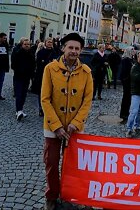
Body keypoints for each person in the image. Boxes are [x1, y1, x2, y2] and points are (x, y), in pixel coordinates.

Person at [41, 33, 93, 210]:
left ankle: (70, 194)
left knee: (72, 166)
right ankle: (52, 195)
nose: (74, 51)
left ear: (81, 50)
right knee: (51, 163)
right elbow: (45, 99)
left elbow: (87, 101)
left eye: (77, 48)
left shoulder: (86, 73)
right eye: (70, 47)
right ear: (63, 48)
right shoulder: (50, 69)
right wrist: (56, 126)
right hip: (52, 127)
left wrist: (75, 123)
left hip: (75, 129)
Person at [33, 38, 59, 116]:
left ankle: (49, 108)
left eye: (51, 42)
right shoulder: (41, 52)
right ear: (45, 43)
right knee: (41, 92)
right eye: (48, 42)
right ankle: (41, 108)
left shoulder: (55, 52)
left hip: (53, 75)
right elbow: (38, 63)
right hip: (42, 74)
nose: (50, 43)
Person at [11, 38, 35, 121]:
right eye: (25, 44)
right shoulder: (18, 53)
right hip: (18, 77)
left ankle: (20, 109)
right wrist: (19, 71)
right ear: (22, 45)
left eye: (28, 44)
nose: (27, 46)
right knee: (19, 94)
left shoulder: (31, 54)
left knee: (24, 95)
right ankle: (18, 111)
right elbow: (13, 65)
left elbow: (33, 65)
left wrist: (32, 74)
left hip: (27, 77)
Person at [119, 47, 135, 124]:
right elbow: (125, 71)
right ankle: (124, 114)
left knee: (128, 98)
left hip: (130, 81)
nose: (134, 51)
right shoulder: (126, 60)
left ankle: (126, 113)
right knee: (126, 98)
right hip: (127, 81)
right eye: (132, 50)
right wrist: (125, 79)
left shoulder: (131, 60)